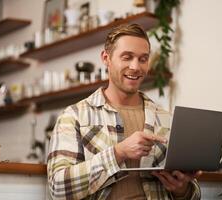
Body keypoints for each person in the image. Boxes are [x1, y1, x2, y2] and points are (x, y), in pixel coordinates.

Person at [47, 23, 202, 200]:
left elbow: (193, 194)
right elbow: (58, 188)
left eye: (143, 59)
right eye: (127, 57)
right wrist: (118, 152)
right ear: (106, 58)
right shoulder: (73, 116)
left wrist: (181, 189)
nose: (136, 67)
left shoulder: (166, 119)